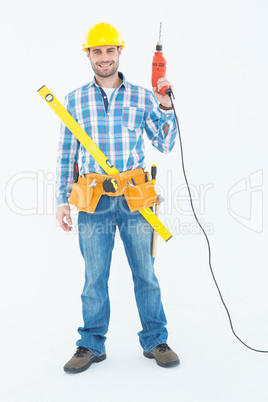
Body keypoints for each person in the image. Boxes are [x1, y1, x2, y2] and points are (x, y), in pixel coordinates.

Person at [56, 22, 179, 373]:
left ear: (119, 52)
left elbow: (165, 144)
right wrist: (63, 201)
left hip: (135, 198)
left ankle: (156, 339)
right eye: (98, 51)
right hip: (93, 200)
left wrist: (166, 107)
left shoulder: (141, 96)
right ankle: (90, 344)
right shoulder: (74, 100)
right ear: (89, 55)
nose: (104, 57)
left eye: (110, 50)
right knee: (95, 276)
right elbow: (68, 154)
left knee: (146, 273)